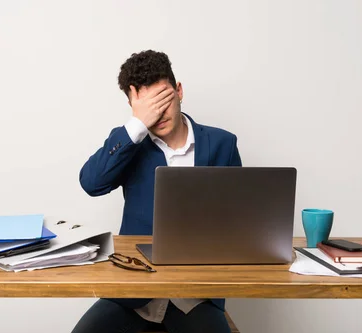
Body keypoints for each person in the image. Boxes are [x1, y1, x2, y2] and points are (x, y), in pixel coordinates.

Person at [72, 50, 241, 333]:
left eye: (164, 99)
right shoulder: (128, 143)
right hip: (133, 292)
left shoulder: (222, 143)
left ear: (179, 91)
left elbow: (240, 216)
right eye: (148, 107)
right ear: (133, 107)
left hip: (194, 295)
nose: (159, 113)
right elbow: (92, 183)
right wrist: (137, 125)